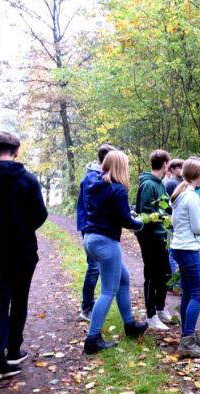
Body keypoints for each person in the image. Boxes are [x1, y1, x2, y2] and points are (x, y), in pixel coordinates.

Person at [82, 150, 148, 354]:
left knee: (124, 279)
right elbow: (125, 220)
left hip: (91, 238)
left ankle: (130, 326)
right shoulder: (118, 189)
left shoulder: (95, 185)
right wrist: (141, 223)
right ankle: (92, 339)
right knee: (108, 290)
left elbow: (110, 211)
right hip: (105, 241)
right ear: (121, 167)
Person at [0, 131, 48, 379]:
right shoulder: (28, 179)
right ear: (16, 151)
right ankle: (13, 351)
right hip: (21, 250)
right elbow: (40, 214)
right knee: (19, 300)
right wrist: (23, 226)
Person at [169, 158, 200, 358]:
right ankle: (187, 341)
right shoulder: (192, 196)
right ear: (199, 174)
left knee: (188, 292)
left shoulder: (180, 194)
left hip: (179, 247)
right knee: (198, 294)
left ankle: (187, 335)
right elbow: (198, 227)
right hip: (188, 249)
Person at [76, 143, 116, 321]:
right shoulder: (92, 178)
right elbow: (91, 206)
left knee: (97, 268)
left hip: (97, 228)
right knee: (93, 268)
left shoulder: (101, 176)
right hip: (90, 227)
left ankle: (90, 305)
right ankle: (86, 307)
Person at [136, 149, 174, 331]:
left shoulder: (160, 184)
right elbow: (145, 213)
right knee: (151, 275)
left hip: (162, 237)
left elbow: (165, 208)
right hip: (150, 237)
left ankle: (160, 308)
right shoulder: (148, 185)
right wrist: (164, 217)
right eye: (169, 163)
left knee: (165, 274)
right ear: (165, 165)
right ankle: (151, 315)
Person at [164, 158, 185, 283]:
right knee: (171, 252)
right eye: (179, 167)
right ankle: (173, 282)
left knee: (174, 252)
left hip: (178, 221)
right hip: (171, 220)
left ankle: (175, 281)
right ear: (172, 169)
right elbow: (169, 204)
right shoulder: (171, 183)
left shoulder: (181, 182)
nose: (181, 170)